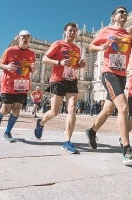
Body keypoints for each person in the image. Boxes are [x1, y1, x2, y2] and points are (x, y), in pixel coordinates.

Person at [86, 6, 132, 163]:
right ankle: (126, 150)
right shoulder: (107, 31)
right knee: (123, 108)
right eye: (121, 12)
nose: (124, 13)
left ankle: (92, 131)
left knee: (107, 110)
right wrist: (100, 47)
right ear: (114, 16)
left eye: (125, 12)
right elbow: (91, 46)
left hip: (121, 75)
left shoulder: (128, 34)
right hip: (109, 73)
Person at [34, 23, 85, 154]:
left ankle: (67, 141)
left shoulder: (77, 49)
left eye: (74, 31)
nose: (72, 33)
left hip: (72, 80)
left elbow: (73, 66)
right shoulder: (58, 44)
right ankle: (41, 123)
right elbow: (45, 59)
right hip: (58, 80)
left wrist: (79, 65)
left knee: (72, 108)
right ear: (65, 32)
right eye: (70, 31)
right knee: (54, 111)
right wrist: (58, 62)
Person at [0, 30, 35, 142]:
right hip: (8, 84)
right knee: (6, 109)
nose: (25, 39)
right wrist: (7, 67)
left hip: (22, 85)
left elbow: (31, 68)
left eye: (28, 37)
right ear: (18, 38)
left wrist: (32, 68)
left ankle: (7, 132)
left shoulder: (32, 54)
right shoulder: (10, 50)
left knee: (16, 109)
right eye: (23, 37)